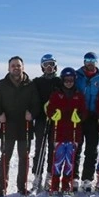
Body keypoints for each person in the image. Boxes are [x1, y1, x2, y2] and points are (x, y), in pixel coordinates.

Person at [0, 56, 41, 196]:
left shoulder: (30, 84)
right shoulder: (2, 83)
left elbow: (36, 104)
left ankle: (22, 186)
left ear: (23, 67)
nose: (16, 68)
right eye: (13, 65)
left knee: (24, 158)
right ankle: (3, 187)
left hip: (24, 126)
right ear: (8, 68)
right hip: (8, 125)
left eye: (18, 65)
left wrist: (32, 114)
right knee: (5, 158)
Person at [45, 68, 87, 197]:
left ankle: (66, 184)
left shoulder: (78, 95)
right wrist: (53, 115)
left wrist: (79, 116)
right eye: (66, 80)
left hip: (73, 132)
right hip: (59, 132)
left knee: (70, 160)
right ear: (62, 80)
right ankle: (55, 183)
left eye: (71, 80)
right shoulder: (56, 94)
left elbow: (84, 111)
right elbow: (49, 109)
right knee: (58, 159)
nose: (69, 82)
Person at [75, 52, 99, 191]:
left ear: (96, 62)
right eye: (87, 60)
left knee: (91, 149)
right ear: (84, 61)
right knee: (76, 148)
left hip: (94, 118)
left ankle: (87, 179)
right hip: (77, 117)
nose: (89, 62)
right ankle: (73, 178)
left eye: (92, 60)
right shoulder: (76, 76)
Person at [32, 54, 62, 188]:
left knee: (53, 148)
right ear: (42, 67)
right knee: (40, 148)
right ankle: (37, 176)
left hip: (56, 119)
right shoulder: (37, 82)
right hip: (41, 119)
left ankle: (50, 176)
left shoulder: (60, 81)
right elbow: (32, 99)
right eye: (46, 65)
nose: (49, 67)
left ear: (55, 66)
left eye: (51, 64)